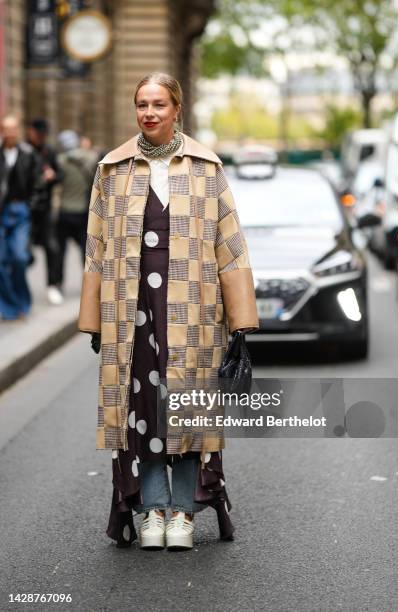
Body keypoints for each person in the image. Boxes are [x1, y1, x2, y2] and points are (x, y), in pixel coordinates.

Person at [77, 72, 259, 551]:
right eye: (142, 104)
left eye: (159, 104)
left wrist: (240, 323)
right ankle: (151, 508)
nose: (150, 113)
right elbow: (95, 248)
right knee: (141, 411)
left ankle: (183, 512)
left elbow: (231, 247)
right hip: (130, 311)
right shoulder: (111, 169)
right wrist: (93, 320)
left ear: (178, 108)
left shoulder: (205, 166)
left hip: (195, 311)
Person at [0, 116, 40, 320]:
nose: (10, 133)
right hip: (1, 210)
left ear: (18, 130)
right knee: (1, 261)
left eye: (13, 129)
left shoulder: (28, 153)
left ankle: (22, 302)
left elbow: (37, 184)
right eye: (6, 129)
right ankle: (8, 307)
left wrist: (30, 207)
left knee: (19, 257)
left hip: (21, 210)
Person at [54, 130, 98, 303]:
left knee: (60, 252)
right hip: (83, 212)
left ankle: (57, 284)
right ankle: (89, 286)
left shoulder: (60, 161)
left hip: (64, 211)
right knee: (85, 252)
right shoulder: (90, 158)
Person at [26, 118, 63, 305]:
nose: (39, 137)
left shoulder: (49, 152)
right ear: (30, 131)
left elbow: (60, 174)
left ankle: (52, 285)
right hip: (25, 209)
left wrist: (53, 175)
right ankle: (19, 290)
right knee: (23, 252)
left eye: (43, 135)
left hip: (45, 208)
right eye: (37, 133)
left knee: (52, 247)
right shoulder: (23, 150)